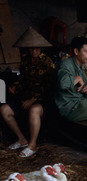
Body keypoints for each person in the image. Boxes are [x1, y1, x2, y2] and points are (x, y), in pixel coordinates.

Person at [0, 27, 55, 157]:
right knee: (4, 109)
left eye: (36, 48)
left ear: (41, 48)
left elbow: (50, 87)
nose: (34, 51)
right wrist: (15, 86)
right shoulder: (25, 62)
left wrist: (34, 99)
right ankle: (21, 139)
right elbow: (23, 80)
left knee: (34, 110)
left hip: (42, 101)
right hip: (24, 98)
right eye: (31, 48)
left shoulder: (48, 63)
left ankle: (32, 145)